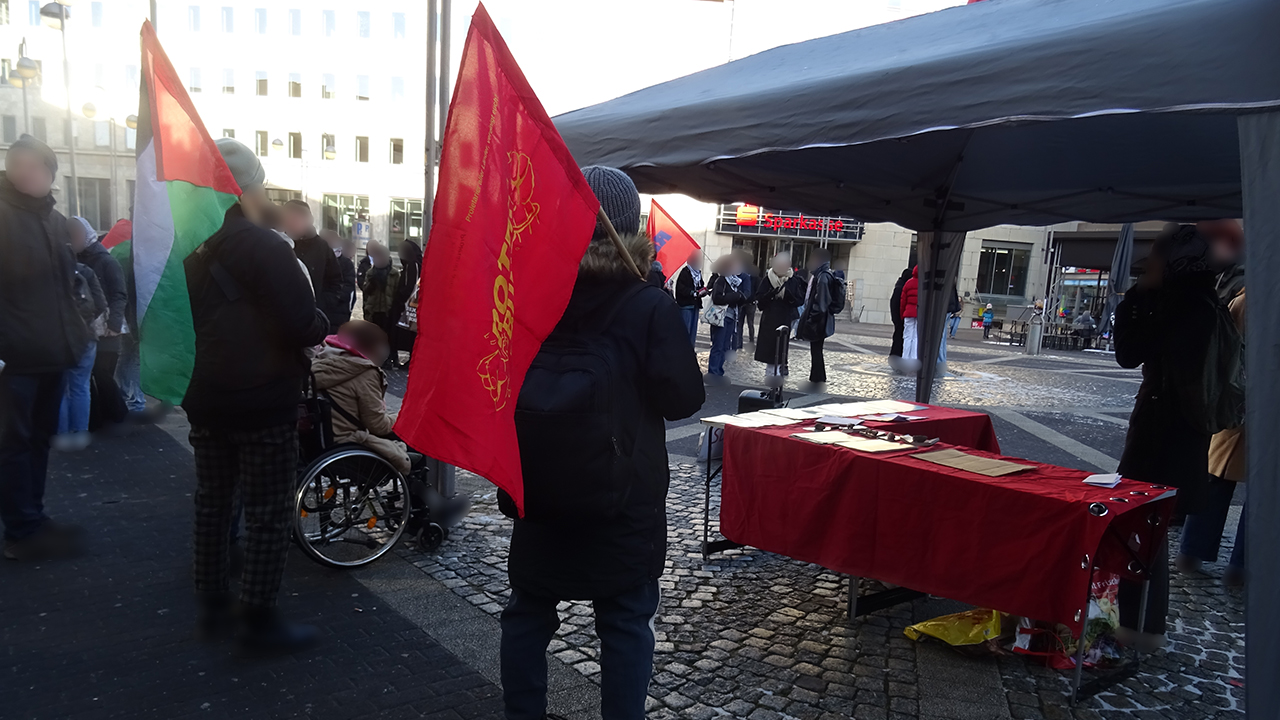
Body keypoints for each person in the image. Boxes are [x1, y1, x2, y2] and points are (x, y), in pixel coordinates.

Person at [501, 166, 705, 720]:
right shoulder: (645, 304)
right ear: (630, 225)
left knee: (528, 612)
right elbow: (684, 398)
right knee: (624, 619)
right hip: (624, 496)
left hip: (539, 484)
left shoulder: (530, 294)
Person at [183, 137, 329, 654]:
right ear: (245, 188)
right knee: (268, 513)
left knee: (213, 503)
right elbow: (301, 324)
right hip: (262, 399)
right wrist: (323, 321)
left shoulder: (188, 246)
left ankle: (211, 605)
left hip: (204, 396)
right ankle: (258, 624)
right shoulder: (265, 246)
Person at [1113, 224, 1225, 650]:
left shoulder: (1184, 307)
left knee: (1142, 527)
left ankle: (1139, 626)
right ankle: (1142, 625)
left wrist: (1139, 299)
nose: (1148, 267)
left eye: (1157, 259)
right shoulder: (1200, 301)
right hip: (1179, 436)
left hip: (1164, 439)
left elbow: (1129, 351)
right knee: (1149, 530)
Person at [0, 134, 91, 561]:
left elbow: (66, 285)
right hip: (14, 356)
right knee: (13, 444)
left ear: (50, 173)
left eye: (35, 166)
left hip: (54, 351)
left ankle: (32, 516)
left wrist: (77, 327)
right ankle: (20, 530)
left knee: (39, 440)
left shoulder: (56, 222)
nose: (25, 172)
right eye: (18, 164)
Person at [1177, 219, 1247, 587]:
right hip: (1241, 403)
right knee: (1233, 480)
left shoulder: (1240, 289)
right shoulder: (1248, 295)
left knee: (1219, 476)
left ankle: (1199, 551)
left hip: (1235, 401)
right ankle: (1236, 565)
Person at [311, 321, 410, 474]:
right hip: (349, 442)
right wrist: (403, 418)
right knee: (414, 435)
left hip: (320, 441)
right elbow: (378, 425)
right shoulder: (364, 372)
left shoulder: (319, 361)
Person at [70, 216, 128, 429]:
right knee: (91, 375)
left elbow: (119, 293)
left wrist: (113, 324)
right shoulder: (76, 260)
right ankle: (99, 418)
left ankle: (117, 414)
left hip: (106, 329)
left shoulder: (106, 261)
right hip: (86, 327)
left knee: (102, 375)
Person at [54, 261, 107, 450]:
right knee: (81, 386)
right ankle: (81, 432)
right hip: (86, 335)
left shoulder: (48, 270)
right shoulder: (85, 270)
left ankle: (61, 434)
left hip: (57, 336)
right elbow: (100, 304)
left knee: (60, 387)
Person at [281, 199, 345, 326]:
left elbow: (335, 281)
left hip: (312, 316)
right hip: (281, 315)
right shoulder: (275, 243)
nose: (292, 224)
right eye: (289, 219)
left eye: (297, 219)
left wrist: (322, 305)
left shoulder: (321, 246)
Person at [751, 252, 805, 384]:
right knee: (769, 347)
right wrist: (770, 295)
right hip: (769, 319)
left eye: (783, 264)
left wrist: (788, 296)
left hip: (785, 318)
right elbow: (760, 301)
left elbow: (799, 300)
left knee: (781, 348)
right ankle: (770, 373)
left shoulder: (793, 280)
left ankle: (779, 372)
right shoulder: (767, 279)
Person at [795, 248, 843, 386]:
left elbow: (821, 302)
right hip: (820, 318)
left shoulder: (822, 277)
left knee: (816, 350)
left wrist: (812, 319)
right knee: (816, 349)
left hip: (819, 320)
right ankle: (817, 376)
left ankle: (817, 377)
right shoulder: (822, 275)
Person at [706, 254, 746, 383]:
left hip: (731, 316)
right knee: (718, 345)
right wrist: (734, 296)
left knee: (725, 346)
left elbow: (738, 298)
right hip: (721, 317)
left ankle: (719, 371)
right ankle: (713, 372)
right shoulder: (721, 280)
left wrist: (740, 298)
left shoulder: (735, 281)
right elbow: (717, 298)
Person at [361, 241, 402, 357]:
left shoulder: (394, 274)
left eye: (381, 256)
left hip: (387, 310)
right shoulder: (370, 273)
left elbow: (396, 292)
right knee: (373, 336)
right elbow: (366, 292)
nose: (379, 260)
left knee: (388, 335)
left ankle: (390, 357)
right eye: (376, 257)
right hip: (374, 309)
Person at [391, 240, 422, 368]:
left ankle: (412, 359)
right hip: (407, 305)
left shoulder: (412, 265)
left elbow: (411, 286)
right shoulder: (410, 265)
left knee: (409, 333)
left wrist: (399, 298)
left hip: (407, 305)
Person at [672, 249, 707, 346]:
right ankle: (683, 349)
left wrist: (703, 291)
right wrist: (693, 293)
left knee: (693, 330)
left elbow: (701, 285)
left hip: (695, 305)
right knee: (685, 329)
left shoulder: (698, 273)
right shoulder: (685, 272)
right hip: (686, 305)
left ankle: (690, 349)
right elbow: (681, 288)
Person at [321, 229, 356, 326]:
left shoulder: (345, 263)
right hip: (320, 311)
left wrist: (330, 299)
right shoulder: (318, 259)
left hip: (338, 312)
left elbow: (348, 287)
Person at [732, 253, 758, 350]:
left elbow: (755, 288)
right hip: (742, 302)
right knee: (740, 323)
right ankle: (739, 343)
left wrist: (754, 299)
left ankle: (751, 341)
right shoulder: (739, 274)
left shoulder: (753, 275)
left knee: (749, 323)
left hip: (750, 302)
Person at [888, 268, 912, 364]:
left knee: (898, 336)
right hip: (900, 317)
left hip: (898, 317)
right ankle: (896, 356)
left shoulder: (899, 286)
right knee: (899, 337)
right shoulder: (901, 288)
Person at [900, 266, 920, 363]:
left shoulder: (908, 283)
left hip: (908, 312)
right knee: (916, 336)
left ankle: (905, 357)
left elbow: (903, 300)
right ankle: (913, 358)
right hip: (919, 313)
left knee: (907, 336)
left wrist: (902, 313)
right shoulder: (924, 284)